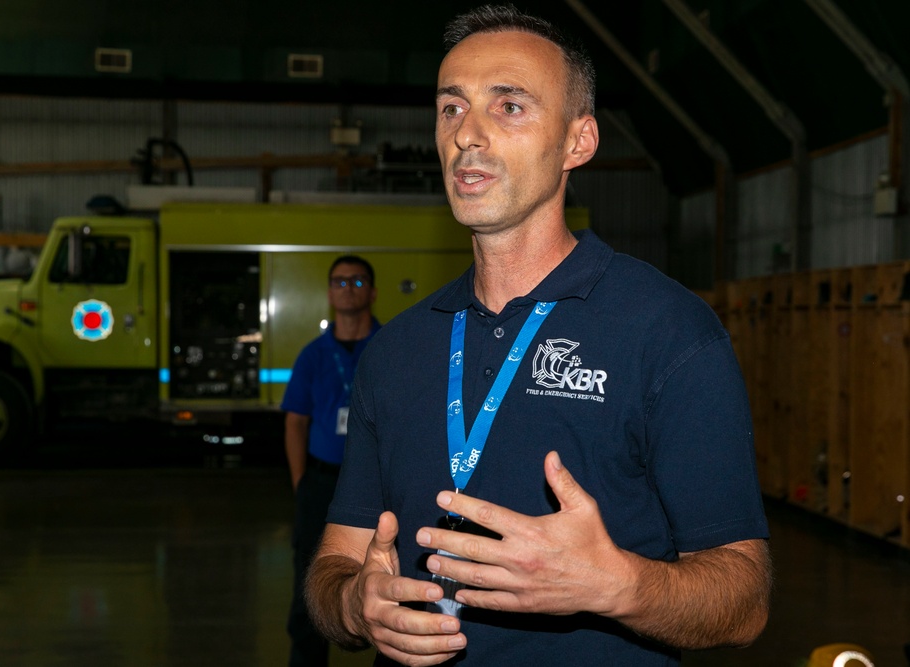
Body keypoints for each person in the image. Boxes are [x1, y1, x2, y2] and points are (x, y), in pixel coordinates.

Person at [305, 4, 772, 667]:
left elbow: (745, 599)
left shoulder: (669, 331)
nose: (468, 134)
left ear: (578, 142)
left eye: (510, 107)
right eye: (451, 109)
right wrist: (357, 604)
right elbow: (334, 566)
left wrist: (618, 586)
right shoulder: (396, 350)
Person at [281, 255, 381, 667]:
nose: (348, 289)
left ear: (372, 292)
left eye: (357, 282)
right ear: (328, 293)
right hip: (322, 483)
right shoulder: (312, 355)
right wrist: (303, 484)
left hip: (377, 488)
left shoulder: (391, 345)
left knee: (388, 580)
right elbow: (295, 424)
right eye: (339, 282)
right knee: (310, 588)